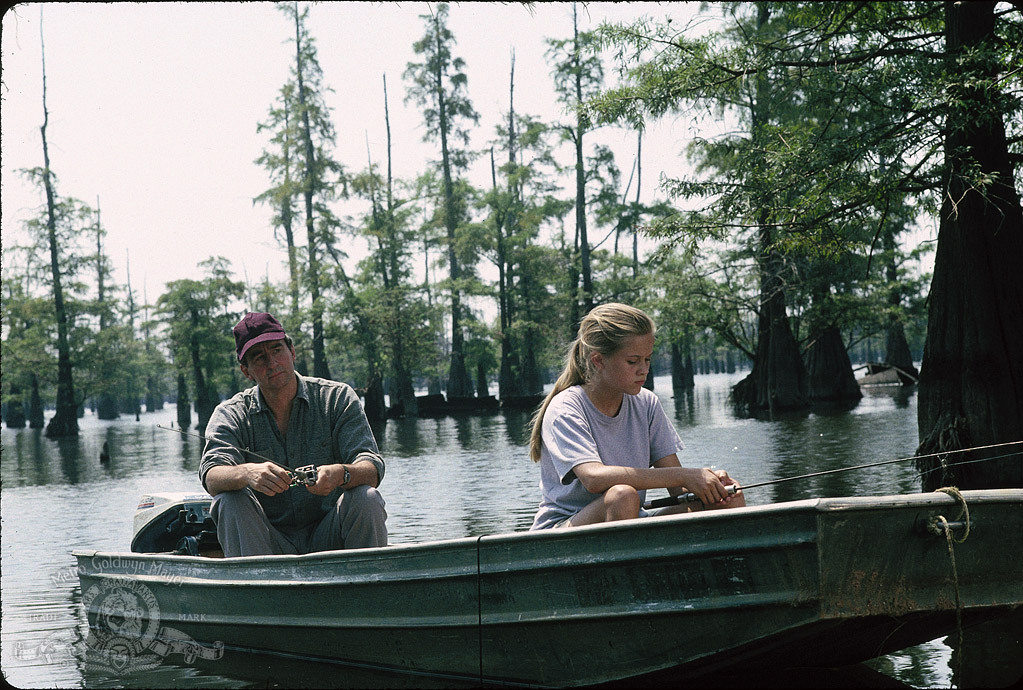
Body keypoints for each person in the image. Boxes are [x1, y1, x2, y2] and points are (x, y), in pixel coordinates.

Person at [529, 303, 745, 530]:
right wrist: (686, 475)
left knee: (729, 496)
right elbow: (594, 479)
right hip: (562, 530)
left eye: (648, 359)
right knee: (622, 495)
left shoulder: (647, 403)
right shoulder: (565, 407)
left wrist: (709, 483)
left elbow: (677, 489)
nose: (644, 369)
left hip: (629, 520)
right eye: (633, 361)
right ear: (598, 361)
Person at [199, 312, 388, 556]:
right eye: (259, 357)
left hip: (332, 536)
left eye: (277, 350)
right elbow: (211, 475)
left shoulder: (337, 398)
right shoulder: (231, 413)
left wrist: (340, 474)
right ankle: (256, 588)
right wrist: (247, 473)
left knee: (366, 497)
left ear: (292, 352)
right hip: (266, 543)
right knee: (229, 501)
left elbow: (372, 467)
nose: (272, 363)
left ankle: (368, 586)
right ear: (246, 371)